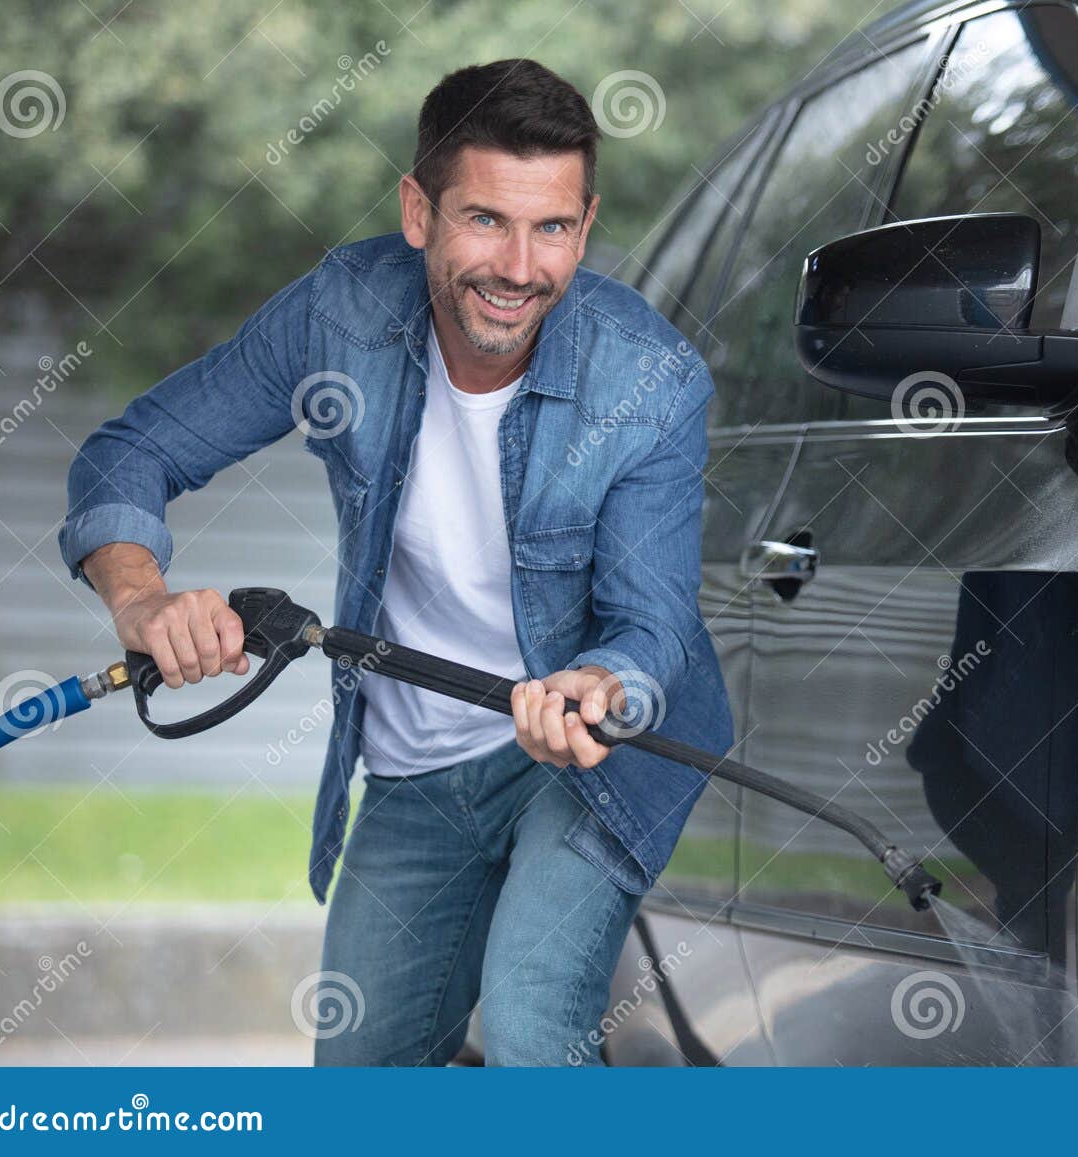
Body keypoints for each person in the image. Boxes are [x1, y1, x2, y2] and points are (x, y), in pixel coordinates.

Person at [59, 58, 733, 1066]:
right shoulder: (340, 313)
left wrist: (601, 685)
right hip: (419, 759)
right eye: (485, 220)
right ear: (418, 210)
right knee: (358, 1072)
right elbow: (131, 453)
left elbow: (650, 626)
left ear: (585, 227)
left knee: (529, 1025)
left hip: (591, 760)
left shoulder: (650, 379)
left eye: (551, 228)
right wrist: (142, 597)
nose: (518, 265)